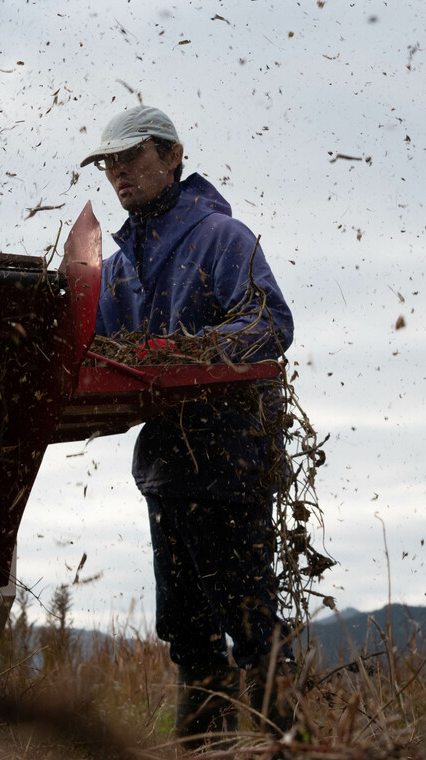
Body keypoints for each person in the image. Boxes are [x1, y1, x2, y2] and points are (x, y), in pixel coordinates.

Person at [81, 104, 295, 743]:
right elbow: (101, 350)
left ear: (173, 156)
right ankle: (205, 750)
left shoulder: (221, 238)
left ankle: (287, 744)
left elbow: (270, 323)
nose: (119, 172)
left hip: (231, 455)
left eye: (133, 157)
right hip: (168, 465)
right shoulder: (118, 267)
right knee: (186, 625)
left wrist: (187, 352)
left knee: (249, 617)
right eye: (110, 163)